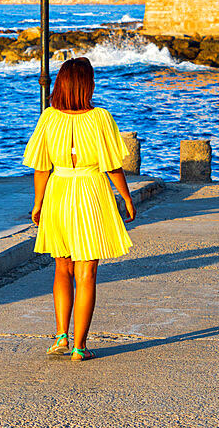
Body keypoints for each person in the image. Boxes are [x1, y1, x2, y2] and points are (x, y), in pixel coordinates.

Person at [23, 56, 136, 362]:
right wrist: (125, 197)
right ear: (87, 84)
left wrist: (38, 202)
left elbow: (40, 166)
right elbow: (112, 166)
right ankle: (79, 346)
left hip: (59, 190)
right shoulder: (101, 117)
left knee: (62, 267)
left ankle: (61, 335)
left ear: (59, 83)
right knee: (86, 272)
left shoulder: (48, 117)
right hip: (90, 192)